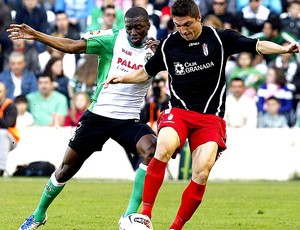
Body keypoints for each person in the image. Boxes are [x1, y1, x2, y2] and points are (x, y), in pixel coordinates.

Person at [103, 0, 300, 229]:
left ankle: (175, 228)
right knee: (163, 146)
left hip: (210, 118)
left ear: (198, 18)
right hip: (179, 112)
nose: (183, 30)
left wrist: (284, 49)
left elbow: (256, 45)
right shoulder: (169, 45)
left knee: (202, 172)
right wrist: (120, 77)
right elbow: (145, 72)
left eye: (187, 24)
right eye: (178, 25)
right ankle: (144, 215)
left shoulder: (219, 38)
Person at [7, 6, 160, 229]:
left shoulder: (159, 50)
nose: (133, 32)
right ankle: (39, 214)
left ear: (148, 25)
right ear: (123, 26)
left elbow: (180, 63)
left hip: (129, 119)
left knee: (151, 149)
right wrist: (37, 35)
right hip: (98, 115)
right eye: (129, 27)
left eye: (138, 27)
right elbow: (73, 46)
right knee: (65, 169)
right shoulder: (112, 39)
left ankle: (128, 216)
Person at [0, 81, 19, 176]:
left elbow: (8, 123)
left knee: (2, 133)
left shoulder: (10, 106)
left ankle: (1, 168)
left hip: (10, 139)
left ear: (4, 93)